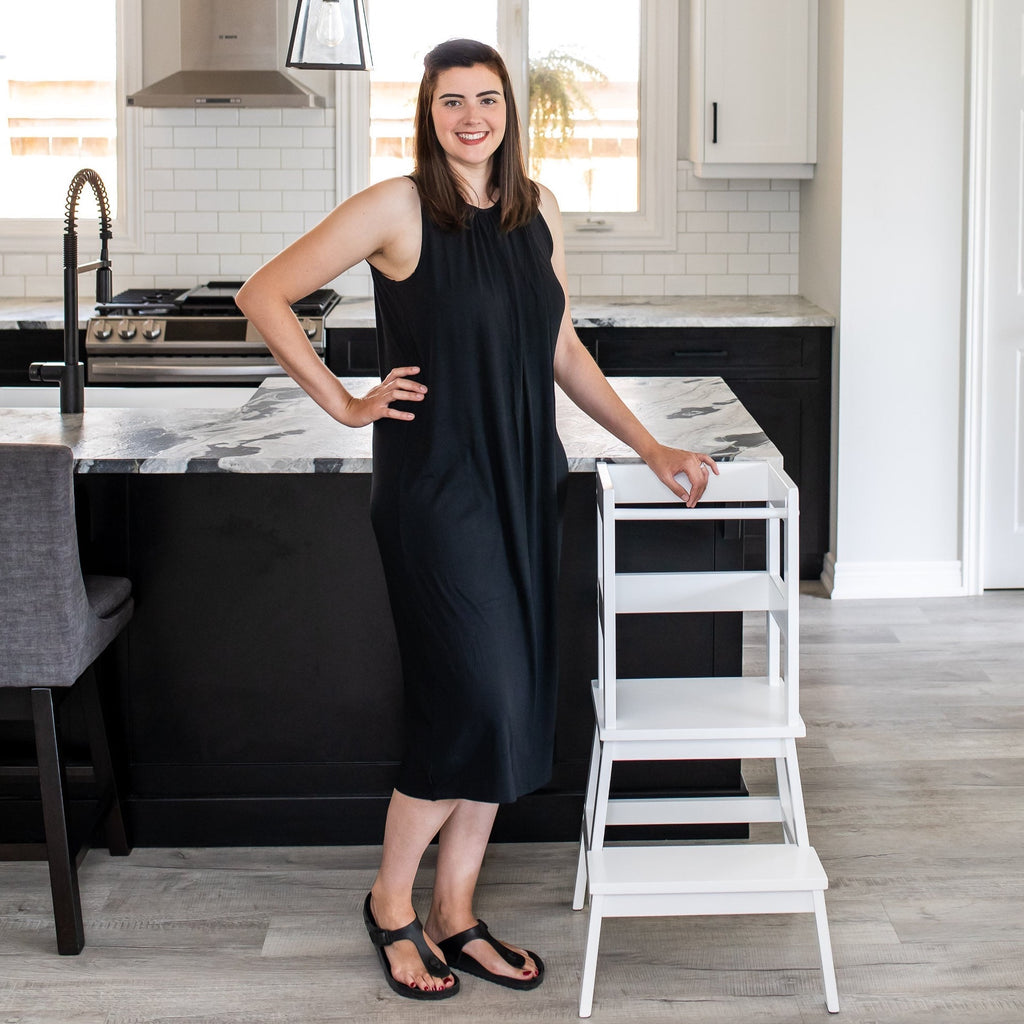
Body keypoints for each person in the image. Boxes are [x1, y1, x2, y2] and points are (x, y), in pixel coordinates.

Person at [236, 37, 718, 1002]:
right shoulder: (397, 206)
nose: (470, 117)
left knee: (514, 704)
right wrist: (345, 401)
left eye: (486, 99)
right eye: (451, 101)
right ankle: (388, 902)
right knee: (477, 704)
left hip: (523, 482)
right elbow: (265, 295)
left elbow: (560, 348)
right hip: (436, 493)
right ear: (428, 112)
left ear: (508, 110)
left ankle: (455, 914)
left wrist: (648, 445)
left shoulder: (537, 213)